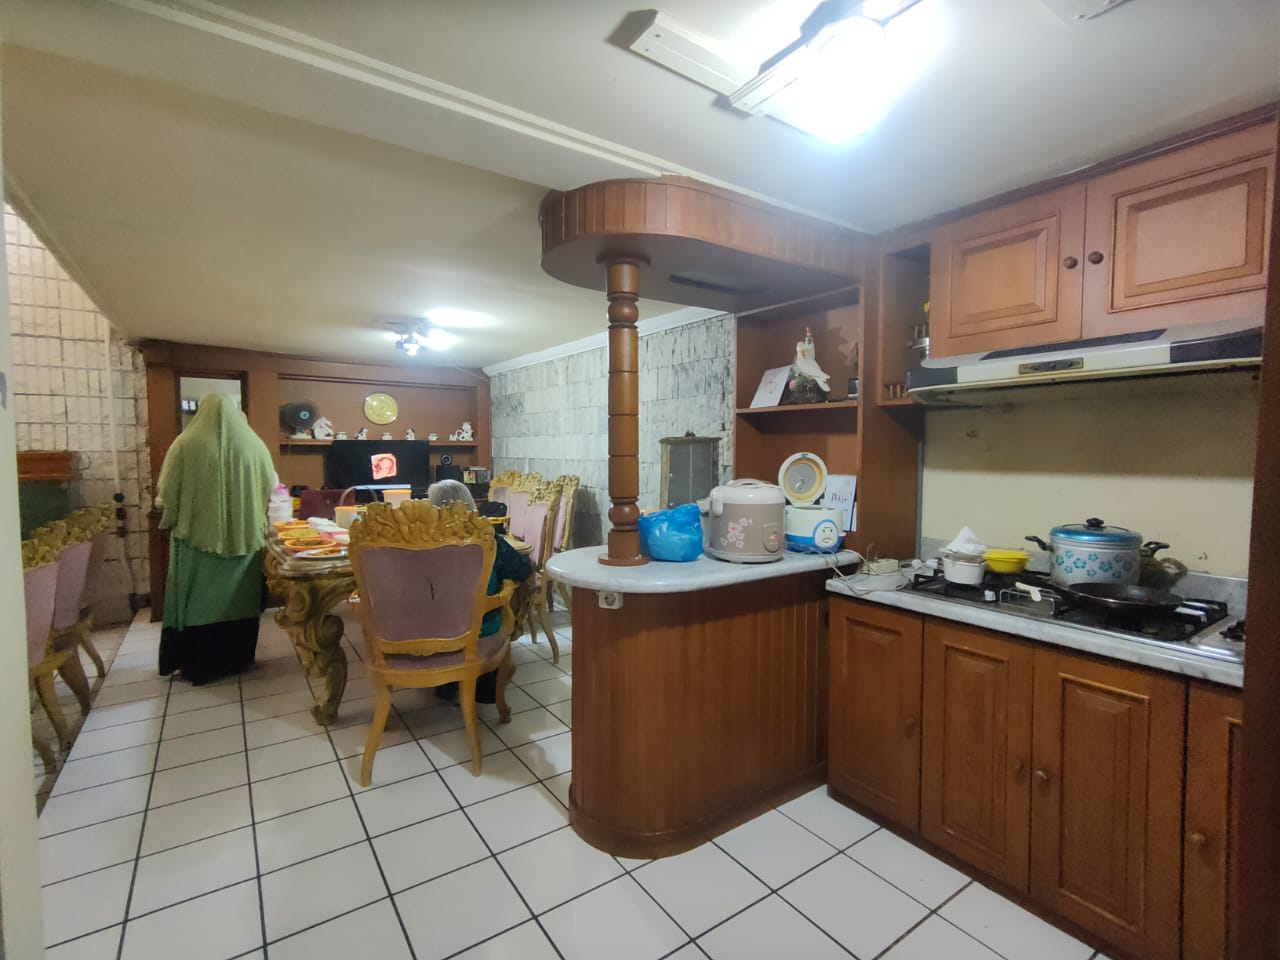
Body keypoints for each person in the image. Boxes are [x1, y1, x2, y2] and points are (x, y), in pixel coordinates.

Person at [157, 394, 276, 685]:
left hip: (197, 543)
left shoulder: (185, 444)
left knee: (198, 603)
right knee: (239, 601)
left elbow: (167, 492)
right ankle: (239, 659)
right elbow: (270, 487)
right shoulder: (255, 445)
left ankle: (198, 665)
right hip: (245, 542)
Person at [426, 479, 531, 703]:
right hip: (480, 627)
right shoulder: (488, 539)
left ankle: (444, 679)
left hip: (433, 628)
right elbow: (522, 570)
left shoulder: (418, 545)